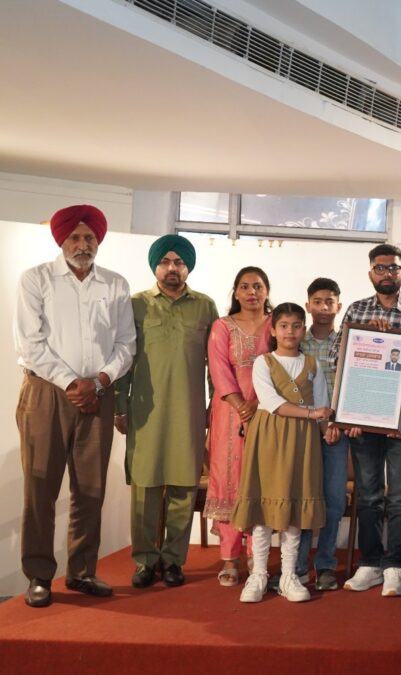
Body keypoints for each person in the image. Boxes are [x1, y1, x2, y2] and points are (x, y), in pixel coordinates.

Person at [15, 204, 135, 607]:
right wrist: (72, 383)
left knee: (90, 489)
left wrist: (99, 381)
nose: (83, 244)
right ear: (61, 240)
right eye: (75, 237)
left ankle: (82, 571)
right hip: (46, 392)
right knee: (40, 487)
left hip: (98, 393)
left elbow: (126, 344)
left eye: (90, 237)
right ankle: (39, 575)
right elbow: (30, 343)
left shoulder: (115, 284)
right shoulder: (36, 279)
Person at [115, 234, 219, 589]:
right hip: (145, 412)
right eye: (165, 262)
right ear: (154, 266)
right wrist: (119, 406)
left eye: (179, 262)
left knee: (183, 486)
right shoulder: (136, 305)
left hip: (189, 412)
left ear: (188, 267)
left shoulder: (205, 307)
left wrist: (214, 406)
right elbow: (123, 359)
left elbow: (216, 364)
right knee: (144, 486)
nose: (172, 268)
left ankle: (174, 560)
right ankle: (145, 560)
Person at [332, 243, 401, 598]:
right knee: (369, 495)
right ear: (370, 273)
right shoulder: (356, 310)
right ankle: (370, 563)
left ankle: (395, 565)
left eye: (393, 268)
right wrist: (367, 335)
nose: (387, 273)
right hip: (363, 419)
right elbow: (338, 358)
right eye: (380, 268)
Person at [232, 303, 331, 603]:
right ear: (273, 330)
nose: (290, 331)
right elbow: (272, 402)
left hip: (303, 441)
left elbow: (323, 405)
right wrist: (312, 414)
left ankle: (289, 575)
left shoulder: (313, 365)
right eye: (284, 326)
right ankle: (259, 574)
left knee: (294, 506)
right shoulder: (263, 363)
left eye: (296, 325)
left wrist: (328, 429)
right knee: (264, 507)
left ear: (304, 329)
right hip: (270, 436)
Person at [206, 267, 272, 586]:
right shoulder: (222, 326)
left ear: (267, 291)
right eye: (244, 287)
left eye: (257, 286)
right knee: (230, 479)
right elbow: (218, 368)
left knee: (260, 478)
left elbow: (284, 363)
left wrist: (257, 403)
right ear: (235, 292)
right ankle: (230, 558)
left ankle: (256, 555)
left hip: (268, 410)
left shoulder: (276, 324)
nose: (251, 292)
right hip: (229, 413)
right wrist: (240, 404)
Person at [295, 278, 348, 591]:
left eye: (330, 301)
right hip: (302, 431)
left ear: (338, 306)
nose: (324, 307)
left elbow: (354, 384)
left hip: (336, 432)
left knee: (334, 500)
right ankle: (298, 567)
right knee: (304, 498)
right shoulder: (296, 342)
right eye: (317, 301)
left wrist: (336, 423)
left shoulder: (349, 341)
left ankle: (326, 564)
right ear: (308, 306)